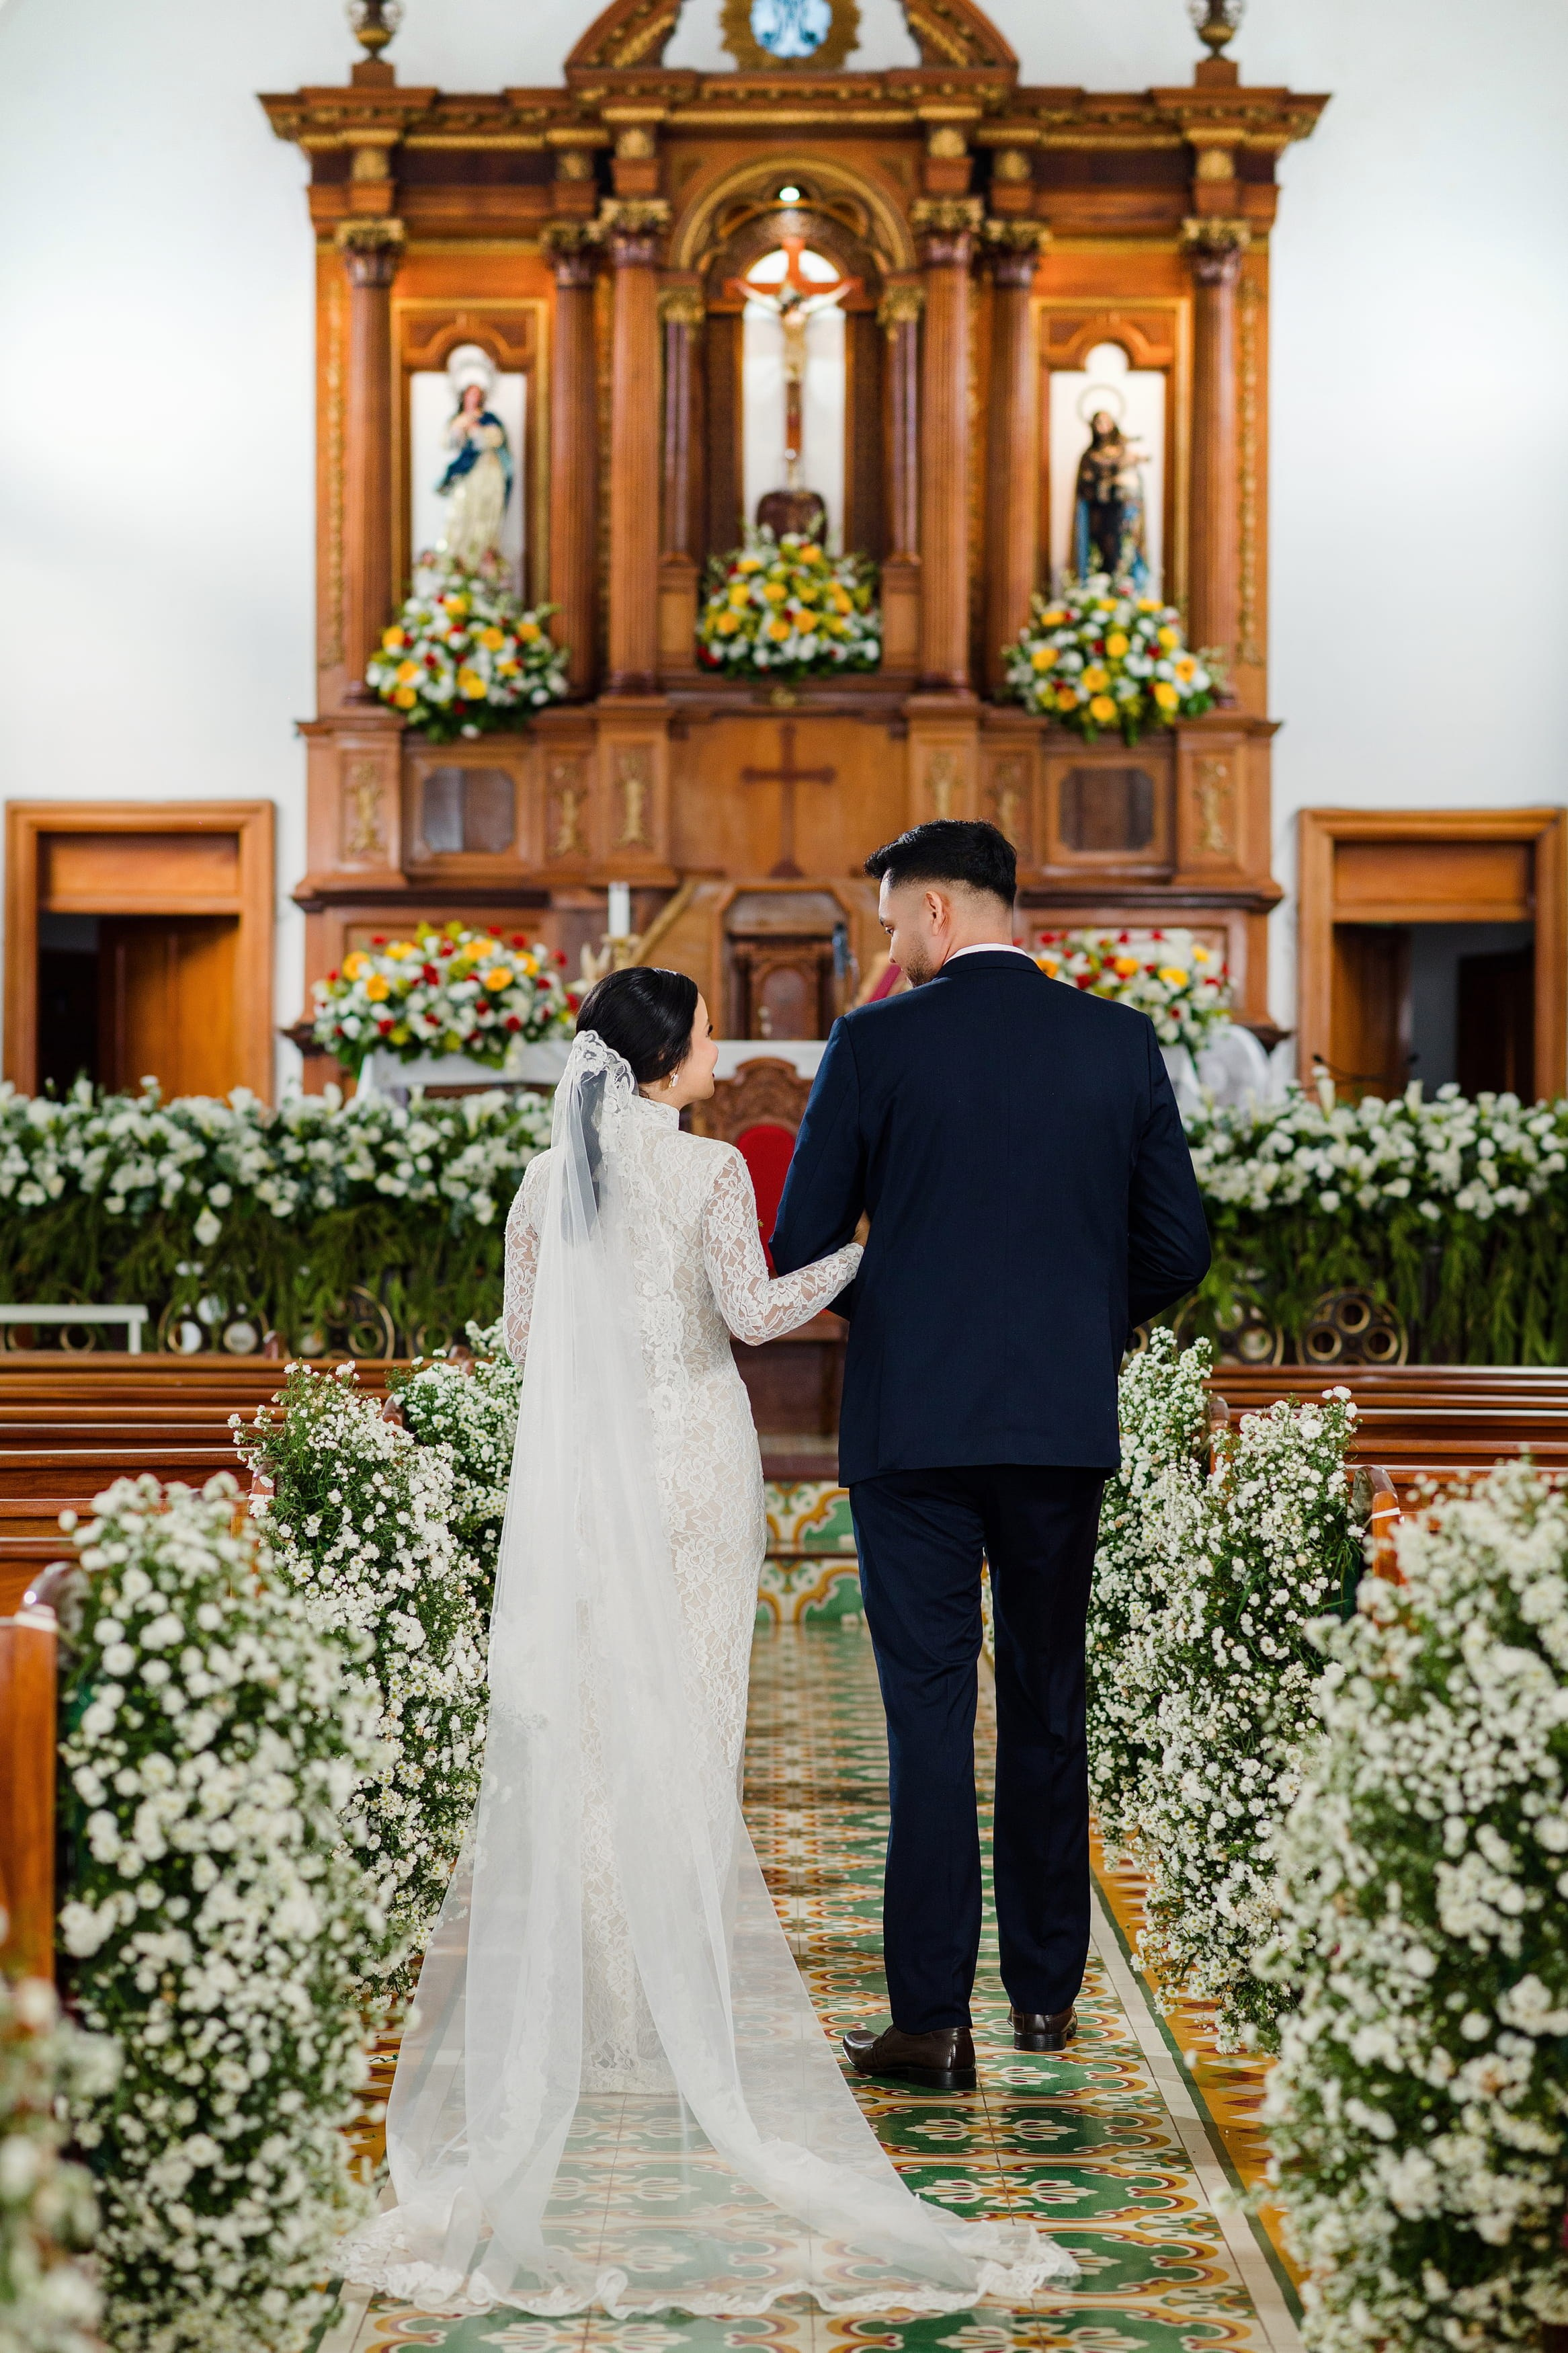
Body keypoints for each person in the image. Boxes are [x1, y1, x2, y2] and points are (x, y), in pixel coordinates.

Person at [339, 965, 1077, 2315]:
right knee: (685, 1722)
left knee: (595, 1732)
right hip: (691, 1467)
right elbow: (753, 1315)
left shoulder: (538, 1176)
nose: (725, 1048)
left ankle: (601, 2015)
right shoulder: (709, 1169)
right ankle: (667, 2016)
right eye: (707, 1032)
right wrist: (863, 1252)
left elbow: (519, 1340)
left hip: (583, 1479)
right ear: (666, 1053)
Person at [771, 821, 1210, 2093]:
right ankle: (1043, 2000)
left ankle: (928, 2022)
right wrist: (1078, 1310)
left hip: (913, 1428)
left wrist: (906, 1301)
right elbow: (1177, 1247)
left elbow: (804, 1240)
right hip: (1059, 1424)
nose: (890, 946)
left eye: (896, 922)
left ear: (943, 915)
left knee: (923, 1715)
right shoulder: (1117, 1041)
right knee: (1045, 1698)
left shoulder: (877, 1042)